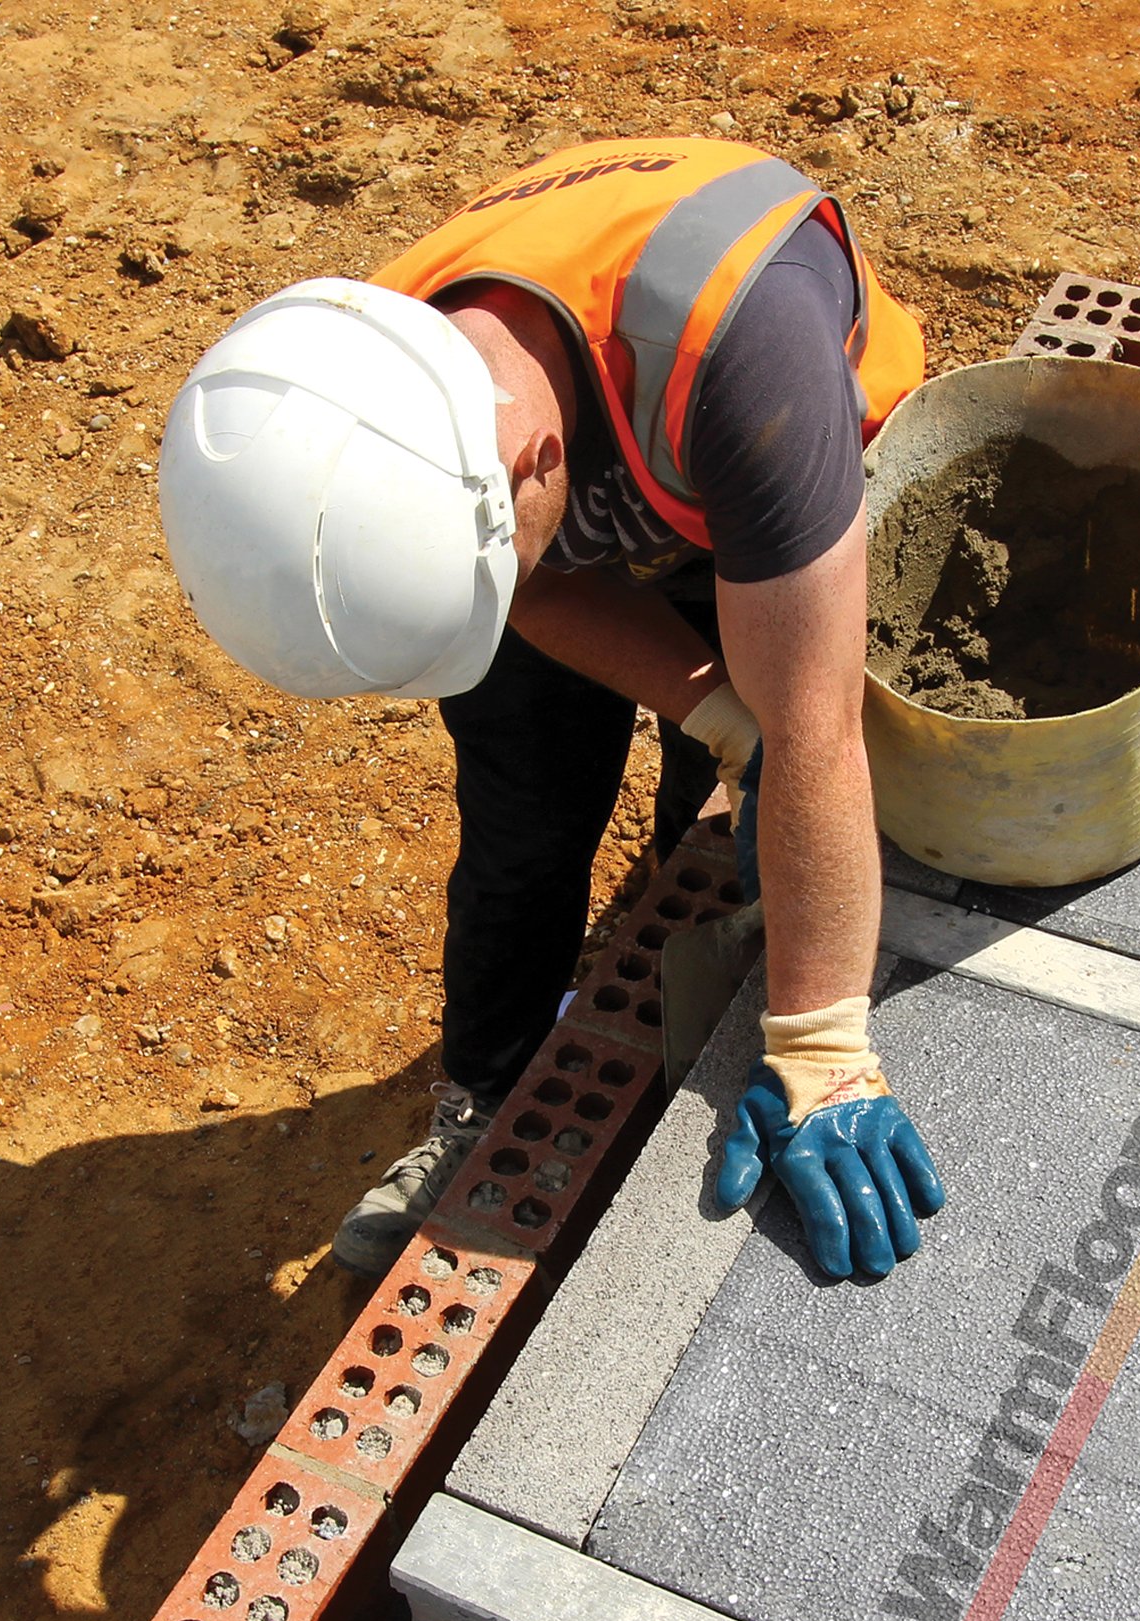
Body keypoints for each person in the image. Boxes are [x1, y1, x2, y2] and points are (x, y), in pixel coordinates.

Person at [158, 138, 947, 1283]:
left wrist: (825, 1043)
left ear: (532, 461)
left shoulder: (749, 361)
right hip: (546, 512)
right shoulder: (373, 394)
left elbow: (816, 725)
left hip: (736, 486)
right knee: (521, 833)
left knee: (756, 783)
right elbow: (521, 583)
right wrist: (711, 706)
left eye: (510, 553)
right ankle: (483, 1098)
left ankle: (725, 996)